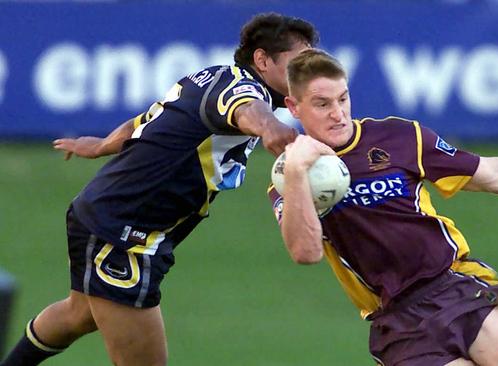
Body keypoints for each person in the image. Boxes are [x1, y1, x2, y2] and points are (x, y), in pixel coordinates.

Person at [268, 49, 498, 366]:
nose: (338, 113)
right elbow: (305, 251)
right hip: (399, 324)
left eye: (343, 98)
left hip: (453, 289)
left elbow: (490, 173)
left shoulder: (399, 137)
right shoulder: (287, 181)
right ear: (293, 106)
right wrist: (299, 171)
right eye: (322, 104)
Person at [1, 13, 318, 366]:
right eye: (299, 62)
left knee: (80, 314)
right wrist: (270, 126)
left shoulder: (210, 77)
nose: (308, 71)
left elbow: (148, 121)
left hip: (102, 215)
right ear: (262, 60)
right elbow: (247, 108)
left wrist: (103, 144)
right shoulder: (243, 90)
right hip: (123, 235)